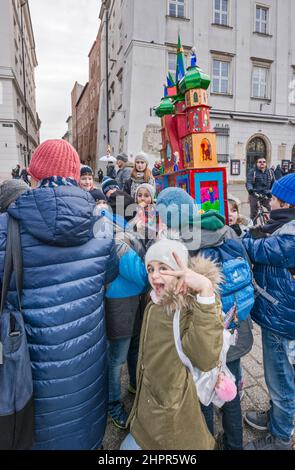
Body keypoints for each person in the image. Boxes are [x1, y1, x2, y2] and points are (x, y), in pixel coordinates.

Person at [0, 139, 118, 450]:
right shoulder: (102, 227)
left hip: (30, 378)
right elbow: (110, 275)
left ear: (33, 177)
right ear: (77, 177)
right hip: (86, 367)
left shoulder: (4, 228)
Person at [155, 188, 254, 450]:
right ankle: (235, 444)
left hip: (203, 334)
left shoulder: (177, 247)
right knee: (229, 386)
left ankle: (206, 441)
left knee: (203, 392)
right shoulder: (224, 228)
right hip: (236, 324)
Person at [120, 239, 224, 450]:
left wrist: (205, 289)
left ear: (180, 272)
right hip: (149, 401)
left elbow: (205, 358)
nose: (154, 275)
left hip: (171, 408)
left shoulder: (186, 309)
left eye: (163, 268)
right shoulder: (156, 302)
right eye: (150, 268)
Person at [243, 173, 295, 450]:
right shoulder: (283, 228)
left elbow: (256, 249)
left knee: (280, 379)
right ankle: (276, 417)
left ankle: (281, 438)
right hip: (284, 315)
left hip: (283, 321)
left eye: (274, 198)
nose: (270, 201)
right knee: (285, 375)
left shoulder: (290, 238)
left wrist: (231, 234)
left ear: (286, 204)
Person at [246, 158, 275, 223]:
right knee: (253, 214)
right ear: (257, 163)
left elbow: (274, 183)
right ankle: (254, 228)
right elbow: (249, 182)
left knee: (273, 210)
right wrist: (250, 189)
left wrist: (272, 191)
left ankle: (273, 224)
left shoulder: (270, 172)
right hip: (255, 194)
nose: (262, 163)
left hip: (267, 195)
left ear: (266, 163)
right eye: (260, 162)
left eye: (264, 162)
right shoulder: (252, 172)